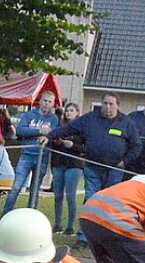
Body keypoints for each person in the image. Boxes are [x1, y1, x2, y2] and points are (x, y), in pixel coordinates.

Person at [54, 94, 139, 241]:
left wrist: (125, 161)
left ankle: (106, 238)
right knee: (90, 201)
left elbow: (136, 145)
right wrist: (49, 136)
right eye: (105, 103)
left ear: (117, 105)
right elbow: (68, 128)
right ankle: (84, 237)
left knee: (110, 204)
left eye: (111, 104)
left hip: (115, 170)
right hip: (92, 168)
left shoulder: (126, 122)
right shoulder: (90, 119)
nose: (107, 107)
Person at [2, 91, 59, 216]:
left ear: (53, 104)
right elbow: (20, 130)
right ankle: (5, 214)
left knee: (35, 190)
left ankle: (30, 215)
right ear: (40, 101)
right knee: (16, 187)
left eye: (49, 102)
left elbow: (52, 133)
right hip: (26, 155)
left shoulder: (54, 119)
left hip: (42, 157)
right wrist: (39, 130)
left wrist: (41, 133)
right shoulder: (29, 114)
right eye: (44, 101)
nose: (46, 104)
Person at [47, 101, 84, 234]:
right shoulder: (60, 127)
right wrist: (56, 142)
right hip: (58, 164)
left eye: (72, 111)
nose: (69, 113)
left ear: (77, 113)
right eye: (67, 110)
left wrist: (72, 145)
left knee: (70, 196)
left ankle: (70, 226)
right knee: (57, 195)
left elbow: (85, 148)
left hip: (74, 165)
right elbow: (51, 141)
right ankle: (57, 224)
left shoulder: (82, 128)